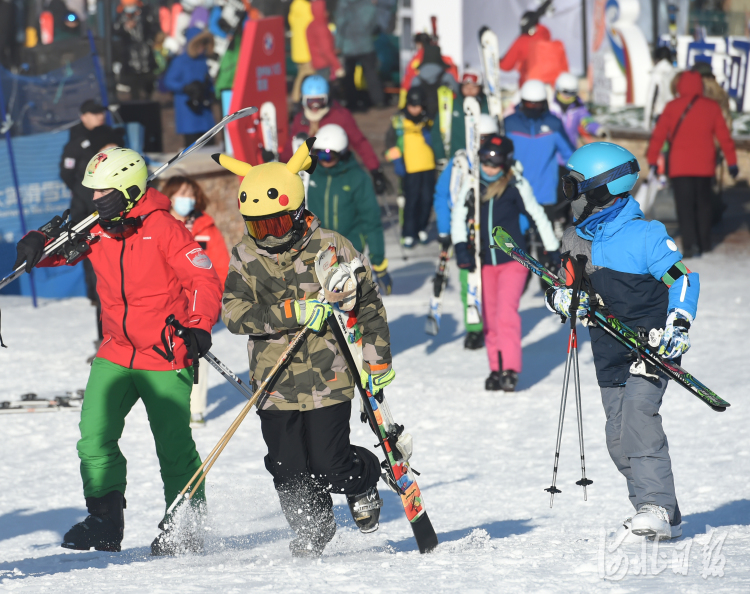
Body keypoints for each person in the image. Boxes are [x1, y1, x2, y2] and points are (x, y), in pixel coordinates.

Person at [13, 147, 223, 555]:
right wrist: (37, 241)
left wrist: (198, 325)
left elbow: (204, 280)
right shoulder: (98, 227)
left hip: (164, 353)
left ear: (127, 189)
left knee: (174, 446)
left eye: (102, 192)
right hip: (116, 350)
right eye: (91, 192)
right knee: (94, 437)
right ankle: (105, 521)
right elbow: (59, 248)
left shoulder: (164, 228)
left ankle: (186, 528)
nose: (94, 200)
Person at [216, 140, 393, 558]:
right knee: (287, 467)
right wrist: (288, 312)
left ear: (296, 213)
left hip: (328, 375)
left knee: (330, 465)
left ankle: (364, 477)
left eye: (275, 225)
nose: (267, 236)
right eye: (258, 226)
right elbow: (233, 313)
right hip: (274, 381)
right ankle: (312, 525)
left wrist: (377, 357)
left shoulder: (331, 247)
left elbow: (368, 304)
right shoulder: (246, 255)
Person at [548, 141, 702, 540]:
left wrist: (678, 326)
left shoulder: (646, 236)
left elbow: (682, 278)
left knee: (638, 418)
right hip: (609, 351)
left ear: (604, 187)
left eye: (577, 186)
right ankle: (661, 505)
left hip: (650, 347)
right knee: (618, 440)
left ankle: (654, 506)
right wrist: (562, 298)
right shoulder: (573, 239)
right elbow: (564, 286)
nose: (573, 195)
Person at [435, 115, 560, 351]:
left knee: (507, 294)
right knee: (470, 283)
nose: (485, 145)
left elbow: (525, 206)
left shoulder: (508, 167)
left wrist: (526, 237)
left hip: (505, 239)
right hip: (471, 233)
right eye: (480, 139)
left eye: (489, 138)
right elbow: (444, 194)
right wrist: (446, 231)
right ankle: (475, 328)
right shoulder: (461, 162)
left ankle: (500, 330)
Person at [451, 135, 532, 392]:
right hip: (484, 263)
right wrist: (460, 248)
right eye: (485, 162)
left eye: (495, 164)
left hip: (513, 260)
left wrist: (551, 249)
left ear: (506, 164)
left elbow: (536, 214)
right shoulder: (473, 186)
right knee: (489, 318)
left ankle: (510, 369)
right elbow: (458, 216)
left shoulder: (514, 185)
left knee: (506, 315)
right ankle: (495, 368)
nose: (489, 168)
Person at [646, 71, 738, 258]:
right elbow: (724, 137)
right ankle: (705, 244)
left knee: (684, 206)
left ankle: (690, 246)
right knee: (704, 205)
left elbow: (659, 135)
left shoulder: (672, 107)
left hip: (680, 167)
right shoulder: (711, 107)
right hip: (705, 166)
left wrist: (652, 159)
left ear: (680, 86)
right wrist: (732, 162)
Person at [162, 175, 231, 425]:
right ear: (169, 196)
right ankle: (167, 400)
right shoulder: (160, 225)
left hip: (196, 304)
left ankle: (196, 407)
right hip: (166, 302)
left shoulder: (206, 229)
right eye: (181, 193)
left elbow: (221, 267)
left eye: (190, 194)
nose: (187, 199)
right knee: (166, 352)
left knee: (196, 351)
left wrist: (215, 298)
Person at [60, 100, 125, 360]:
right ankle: (106, 339)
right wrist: (85, 196)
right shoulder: (75, 142)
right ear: (83, 115)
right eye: (94, 113)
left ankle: (125, 337)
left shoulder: (111, 135)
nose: (100, 117)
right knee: (99, 284)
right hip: (86, 217)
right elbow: (66, 174)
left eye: (102, 112)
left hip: (116, 220)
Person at [308, 124, 392, 295]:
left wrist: (379, 263)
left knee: (348, 308)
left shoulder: (356, 178)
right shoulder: (310, 175)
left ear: (342, 153)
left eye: (330, 154)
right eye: (320, 153)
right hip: (316, 253)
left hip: (348, 253)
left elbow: (371, 221)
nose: (324, 159)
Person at [286, 75, 388, 194]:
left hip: (338, 172)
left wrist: (375, 170)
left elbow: (360, 142)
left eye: (319, 101)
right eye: (310, 102)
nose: (315, 107)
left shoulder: (340, 116)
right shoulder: (300, 120)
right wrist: (277, 161)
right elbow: (291, 148)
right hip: (313, 176)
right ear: (303, 100)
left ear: (327, 99)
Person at [505, 79, 575, 217]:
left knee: (543, 236)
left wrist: (588, 174)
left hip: (545, 195)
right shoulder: (509, 124)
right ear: (522, 102)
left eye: (537, 104)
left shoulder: (553, 124)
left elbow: (570, 155)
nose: (533, 108)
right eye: (529, 104)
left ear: (544, 103)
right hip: (515, 192)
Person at [384, 86, 436, 247]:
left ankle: (422, 227)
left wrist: (431, 138)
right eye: (411, 105)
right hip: (410, 168)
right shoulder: (399, 121)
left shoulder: (428, 120)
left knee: (427, 199)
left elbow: (438, 141)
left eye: (418, 106)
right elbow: (390, 144)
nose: (414, 109)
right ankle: (408, 232)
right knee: (411, 201)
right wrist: (397, 162)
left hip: (428, 166)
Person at [549, 72, 605, 207]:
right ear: (557, 89)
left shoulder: (578, 107)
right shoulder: (549, 106)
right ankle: (555, 217)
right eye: (565, 92)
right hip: (551, 156)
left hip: (568, 156)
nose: (568, 96)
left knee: (568, 190)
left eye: (572, 93)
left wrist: (597, 129)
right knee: (552, 189)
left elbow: (586, 120)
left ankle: (564, 217)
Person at [163, 26, 216, 147]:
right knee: (193, 148)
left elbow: (208, 81)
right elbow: (169, 81)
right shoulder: (180, 61)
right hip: (188, 112)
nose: (202, 47)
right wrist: (185, 87)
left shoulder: (202, 61)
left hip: (204, 111)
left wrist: (210, 91)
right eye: (200, 44)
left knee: (210, 147)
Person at [334, 0, 385, 109]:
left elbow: (340, 24)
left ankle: (352, 103)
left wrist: (338, 44)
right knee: (371, 74)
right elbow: (373, 25)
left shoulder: (344, 4)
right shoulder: (369, 4)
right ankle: (378, 101)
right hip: (366, 45)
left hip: (349, 46)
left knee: (349, 77)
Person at [433, 69, 488, 162]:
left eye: (474, 87)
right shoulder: (451, 106)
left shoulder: (487, 108)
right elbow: (436, 133)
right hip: (455, 159)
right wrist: (440, 156)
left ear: (480, 89)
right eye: (466, 87)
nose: (469, 91)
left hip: (481, 161)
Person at [500, 13, 567, 87]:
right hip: (553, 87)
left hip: (529, 87)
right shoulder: (548, 40)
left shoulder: (522, 41)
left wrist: (498, 62)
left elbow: (506, 66)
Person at [113, 0, 159, 100]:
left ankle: (148, 98)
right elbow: (115, 29)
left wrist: (149, 41)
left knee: (148, 80)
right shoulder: (121, 15)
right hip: (130, 55)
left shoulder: (145, 12)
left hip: (145, 53)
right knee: (133, 82)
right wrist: (126, 27)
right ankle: (135, 101)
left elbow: (154, 27)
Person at [407, 43, 459, 120]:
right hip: (443, 117)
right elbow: (458, 94)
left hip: (422, 118)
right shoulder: (447, 77)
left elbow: (412, 98)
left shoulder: (416, 79)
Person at [307, 0, 344, 83]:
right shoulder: (321, 28)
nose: (327, 12)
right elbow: (326, 50)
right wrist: (337, 66)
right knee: (326, 87)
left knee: (321, 87)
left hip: (317, 62)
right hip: (324, 63)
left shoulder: (310, 26)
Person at [643, 46, 676, 130]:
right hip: (676, 115)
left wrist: (647, 125)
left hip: (661, 116)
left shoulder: (656, 74)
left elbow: (651, 99)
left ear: (657, 59)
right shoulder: (675, 74)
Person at [288, 0, 315, 103]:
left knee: (301, 73)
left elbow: (291, 21)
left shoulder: (295, 4)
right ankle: (297, 97)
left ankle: (296, 97)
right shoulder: (308, 7)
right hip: (307, 48)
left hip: (298, 49)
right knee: (306, 74)